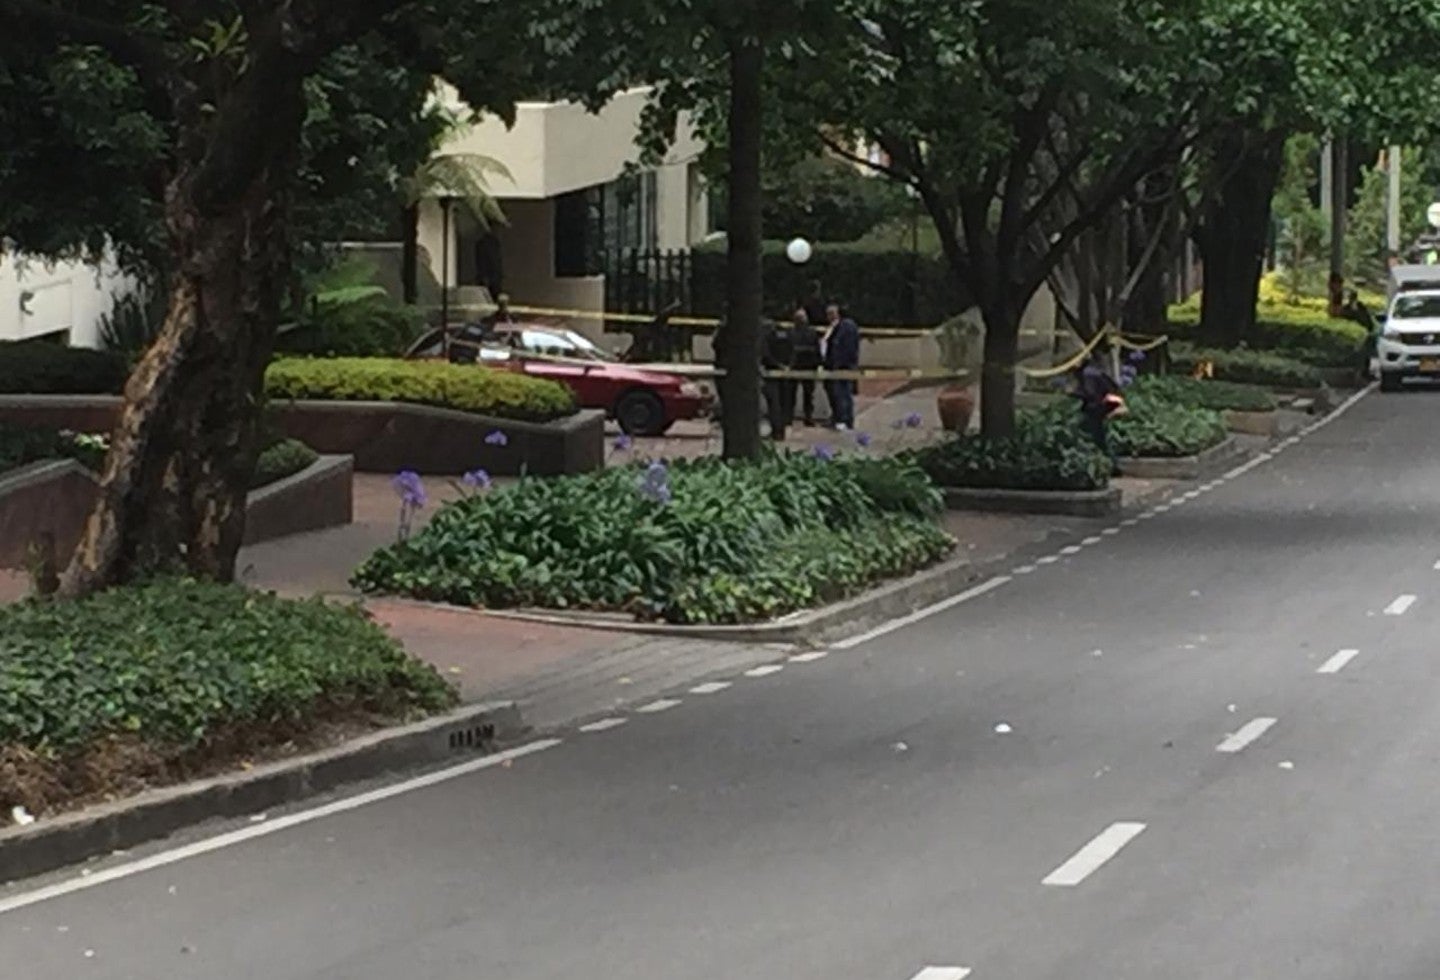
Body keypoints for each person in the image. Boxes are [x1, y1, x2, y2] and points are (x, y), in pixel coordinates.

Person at [1074, 352, 1126, 463]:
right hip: (1099, 407)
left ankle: (1110, 462)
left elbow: (1091, 394)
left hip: (1096, 408)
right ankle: (1109, 461)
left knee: (1096, 437)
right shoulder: (1093, 372)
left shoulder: (1089, 374)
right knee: (1099, 437)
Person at [823, 303, 860, 429]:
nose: (829, 317)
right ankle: (837, 417)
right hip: (833, 366)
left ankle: (845, 420)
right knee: (836, 393)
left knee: (843, 393)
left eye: (832, 314)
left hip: (844, 366)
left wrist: (839, 364)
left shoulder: (847, 327)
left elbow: (846, 348)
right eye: (828, 314)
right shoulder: (833, 327)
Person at [762, 316, 795, 440]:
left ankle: (776, 431)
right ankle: (782, 430)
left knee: (774, 403)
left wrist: (777, 365)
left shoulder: (768, 337)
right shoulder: (789, 335)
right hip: (787, 374)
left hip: (771, 373)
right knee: (785, 403)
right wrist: (788, 366)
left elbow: (765, 354)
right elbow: (793, 351)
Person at [790, 307, 823, 425]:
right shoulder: (791, 332)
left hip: (808, 366)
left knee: (808, 394)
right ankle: (790, 415)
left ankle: (808, 416)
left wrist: (818, 363)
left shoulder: (811, 332)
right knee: (791, 393)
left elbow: (817, 348)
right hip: (795, 366)